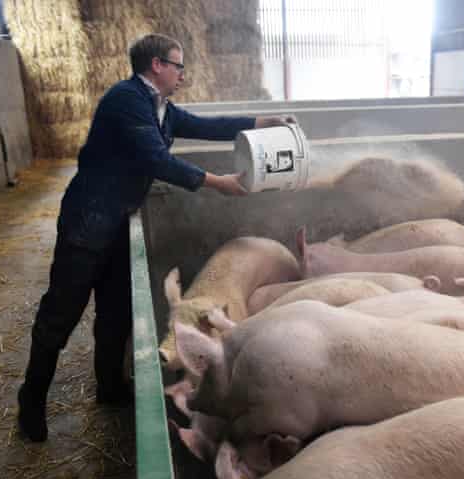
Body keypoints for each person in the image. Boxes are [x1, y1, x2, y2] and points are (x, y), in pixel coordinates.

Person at [17, 33, 294, 442]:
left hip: (116, 221)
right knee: (62, 312)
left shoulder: (160, 107)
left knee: (115, 311)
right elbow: (156, 160)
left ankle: (109, 388)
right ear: (157, 66)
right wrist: (219, 182)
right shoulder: (126, 99)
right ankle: (31, 402)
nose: (183, 73)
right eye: (178, 65)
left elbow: (205, 125)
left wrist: (262, 123)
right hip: (88, 221)